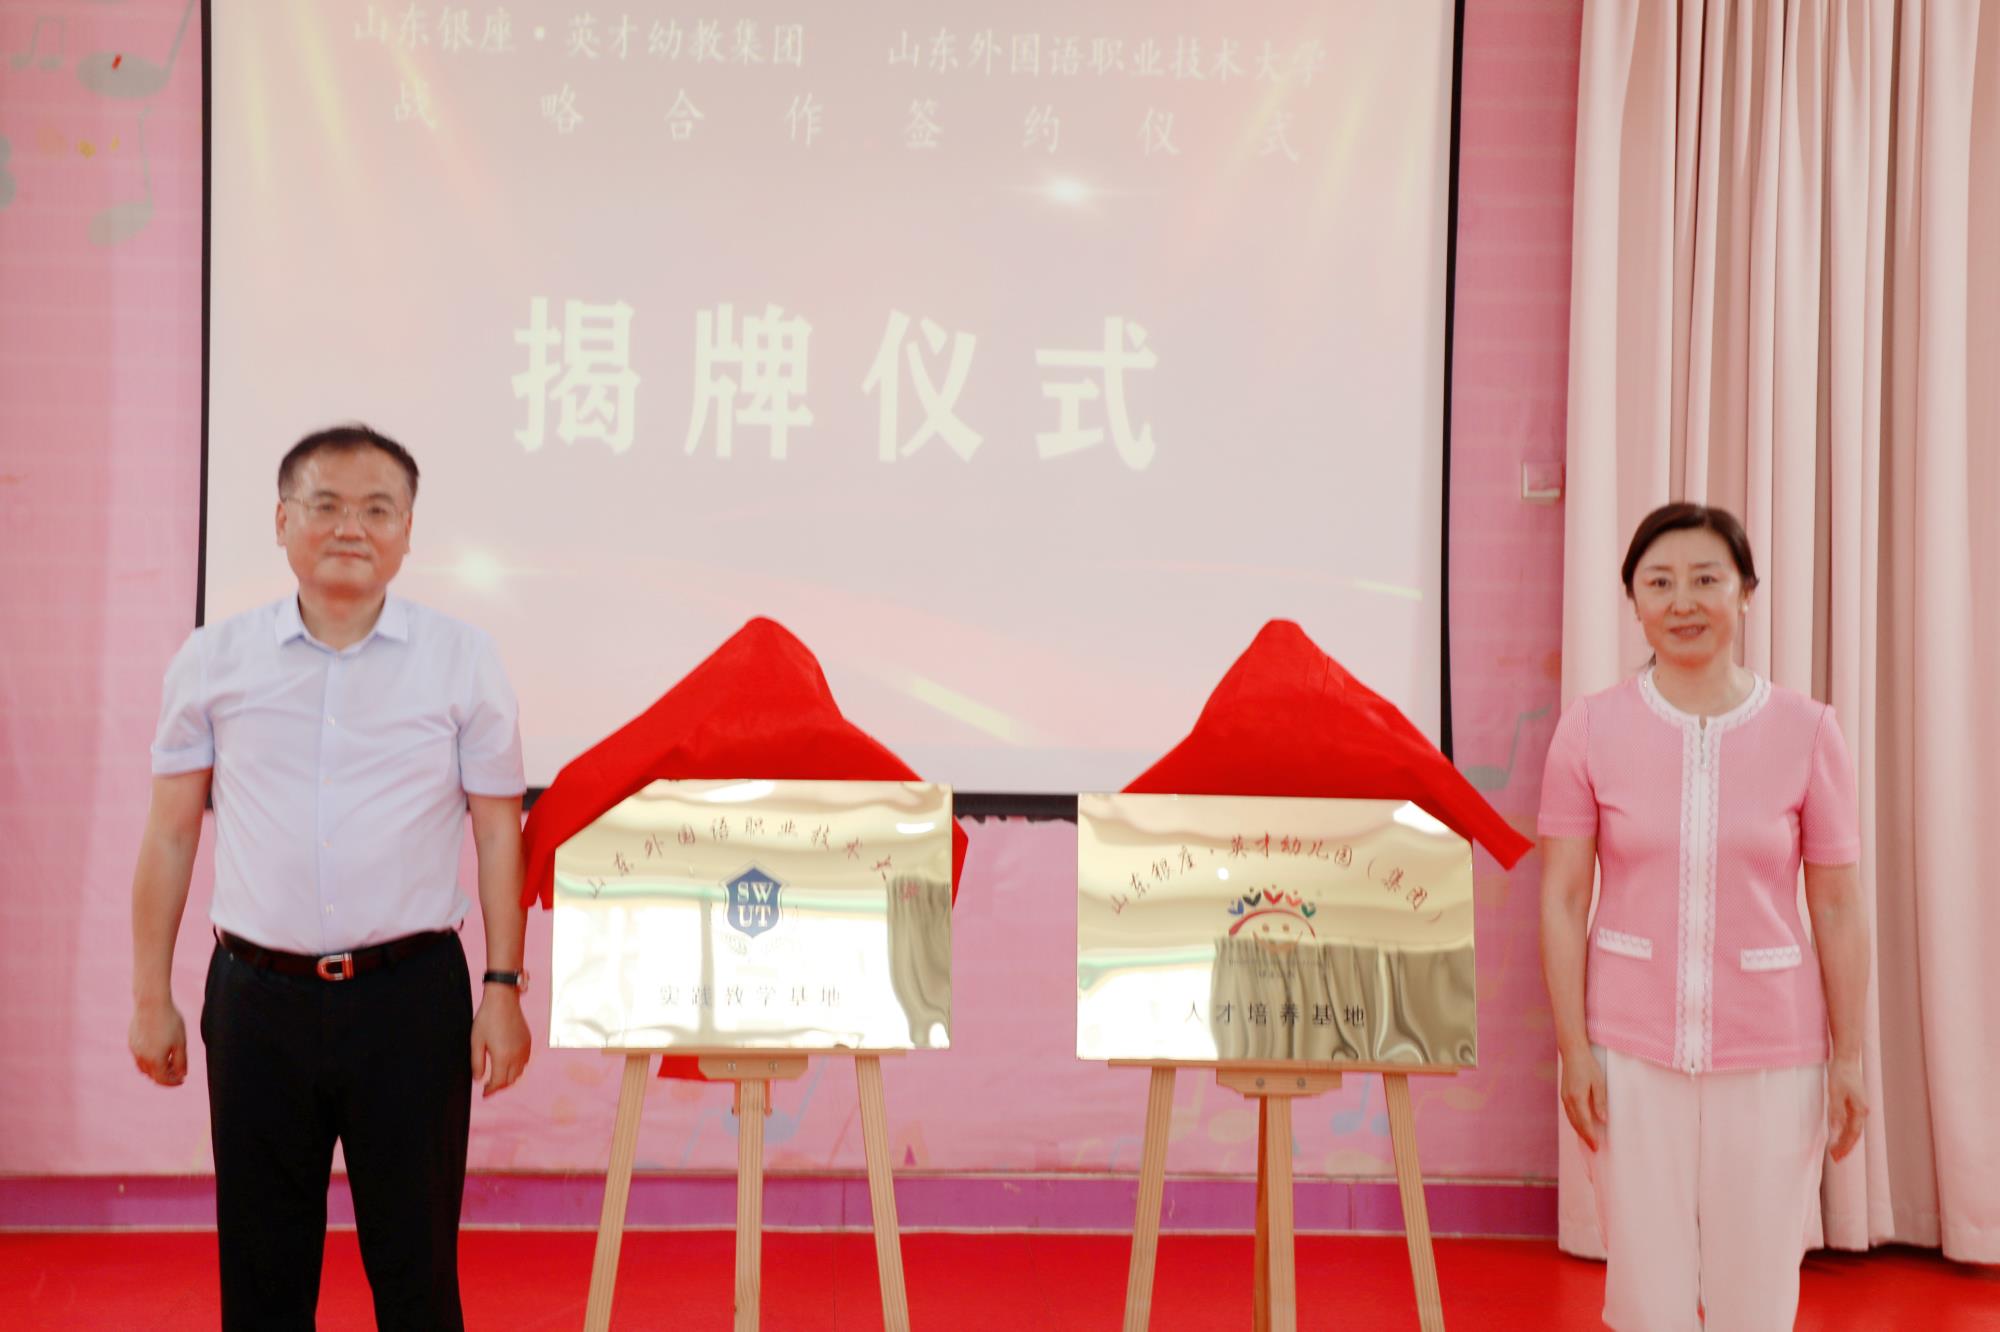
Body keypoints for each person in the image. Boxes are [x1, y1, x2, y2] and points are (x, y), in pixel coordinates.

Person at [127, 424, 532, 1330]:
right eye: (327, 505)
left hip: (410, 1001)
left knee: (417, 1268)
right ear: (282, 521)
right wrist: (150, 996)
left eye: (377, 509)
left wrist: (503, 987)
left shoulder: (462, 659)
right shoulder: (213, 660)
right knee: (261, 1274)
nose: (351, 527)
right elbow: (170, 836)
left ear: (408, 532)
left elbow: (497, 832)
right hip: (256, 1000)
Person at [1539, 502, 1869, 1331]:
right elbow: (1564, 898)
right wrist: (1573, 1049)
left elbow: (1836, 903)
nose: (1682, 601)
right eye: (1659, 583)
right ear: (1634, 602)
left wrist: (1852, 1057)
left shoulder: (1807, 730)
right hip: (1628, 1054)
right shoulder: (1590, 728)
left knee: (1756, 1295)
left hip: (1773, 1055)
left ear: (1745, 592)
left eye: (1706, 579)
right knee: (1646, 1295)